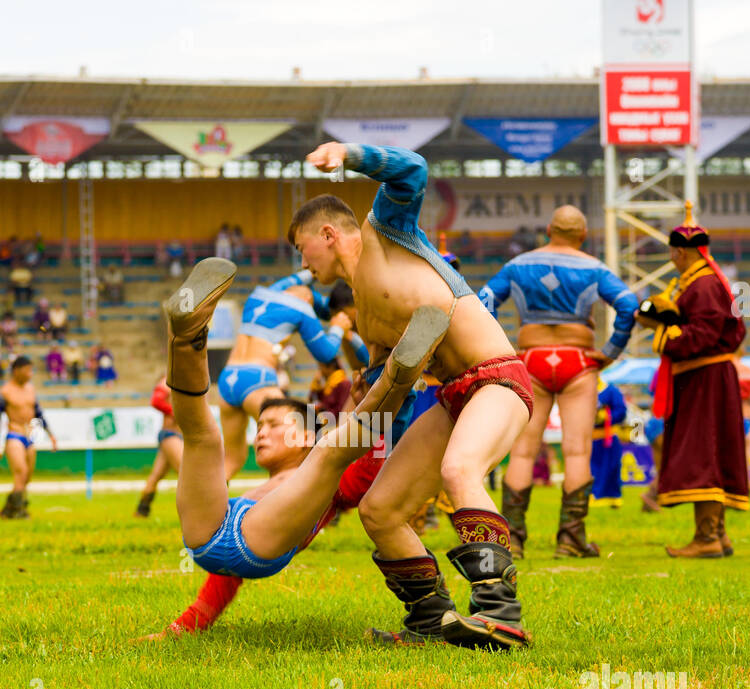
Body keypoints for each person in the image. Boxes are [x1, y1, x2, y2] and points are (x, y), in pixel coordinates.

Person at [297, 142, 535, 650]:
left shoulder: (385, 232)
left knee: (460, 470)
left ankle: (501, 613)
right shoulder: (364, 316)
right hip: (451, 398)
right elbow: (390, 395)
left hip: (498, 378)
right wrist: (329, 459)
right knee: (379, 509)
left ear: (327, 233)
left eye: (302, 249)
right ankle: (430, 621)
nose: (303, 263)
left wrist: (349, 153)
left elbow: (413, 170)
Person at [159, 257, 446, 608]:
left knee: (331, 454)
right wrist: (185, 626)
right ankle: (186, 335)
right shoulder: (276, 480)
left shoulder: (331, 485)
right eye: (260, 426)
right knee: (202, 433)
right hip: (209, 535)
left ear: (307, 435)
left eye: (275, 426)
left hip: (259, 543)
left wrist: (376, 409)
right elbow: (223, 574)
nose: (260, 434)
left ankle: (397, 380)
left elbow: (361, 460)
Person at [480, 204, 639, 558]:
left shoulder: (518, 266)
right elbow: (629, 305)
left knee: (522, 450)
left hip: (531, 359)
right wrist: (611, 350)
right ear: (582, 236)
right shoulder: (594, 268)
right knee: (577, 450)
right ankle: (570, 539)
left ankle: (514, 540)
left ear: (549, 229)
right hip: (578, 361)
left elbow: (483, 300)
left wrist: (500, 347)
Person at [633, 202, 747, 557]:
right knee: (709, 450)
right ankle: (718, 535)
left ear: (679, 252)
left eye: (672, 251)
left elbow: (701, 335)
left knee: (704, 452)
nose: (671, 257)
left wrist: (660, 328)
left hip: (705, 377)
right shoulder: (700, 283)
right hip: (703, 377)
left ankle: (707, 538)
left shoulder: (704, 285)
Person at [216, 268, 350, 476]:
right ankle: (292, 504)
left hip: (228, 378)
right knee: (296, 446)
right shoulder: (303, 308)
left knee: (232, 459)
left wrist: (313, 272)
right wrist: (338, 327)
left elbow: (294, 279)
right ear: (307, 298)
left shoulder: (258, 295)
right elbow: (326, 353)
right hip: (257, 379)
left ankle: (205, 508)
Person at [0, 355, 58, 519]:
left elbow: (39, 413)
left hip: (30, 435)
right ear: (17, 371)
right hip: (14, 434)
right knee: (20, 472)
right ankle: (20, 510)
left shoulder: (30, 389)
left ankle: (9, 508)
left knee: (27, 476)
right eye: (27, 370)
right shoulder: (5, 392)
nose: (30, 373)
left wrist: (51, 435)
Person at [136, 377, 183, 518]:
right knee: (187, 472)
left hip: (175, 435)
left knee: (156, 475)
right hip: (171, 435)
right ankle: (195, 513)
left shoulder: (180, 380)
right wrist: (174, 412)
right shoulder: (168, 380)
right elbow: (156, 400)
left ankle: (142, 510)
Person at [589, 379, 628, 507]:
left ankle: (614, 496)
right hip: (588, 438)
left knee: (611, 467)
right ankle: (593, 495)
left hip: (608, 437)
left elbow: (621, 411)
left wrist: (606, 416)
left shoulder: (611, 390)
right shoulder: (583, 389)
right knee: (592, 468)